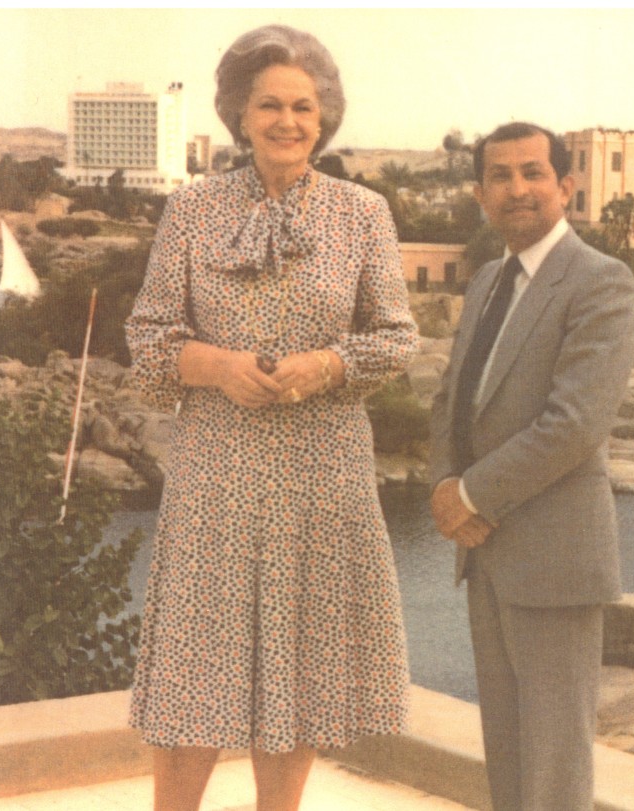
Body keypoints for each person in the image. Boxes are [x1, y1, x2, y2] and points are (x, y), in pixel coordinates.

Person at [125, 25, 417, 811]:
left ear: (324, 118)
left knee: (299, 671)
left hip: (323, 472)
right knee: (194, 671)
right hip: (216, 470)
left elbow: (397, 337)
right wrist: (220, 367)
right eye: (269, 105)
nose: (287, 121)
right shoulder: (191, 210)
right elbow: (148, 339)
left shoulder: (364, 213)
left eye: (302, 106)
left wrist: (324, 365)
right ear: (239, 115)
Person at [429, 122, 634, 811]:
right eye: (500, 175)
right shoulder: (489, 280)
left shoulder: (601, 280)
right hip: (485, 553)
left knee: (553, 763)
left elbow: (575, 424)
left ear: (565, 186)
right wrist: (443, 485)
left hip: (554, 556)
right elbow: (453, 398)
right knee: (509, 754)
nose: (516, 188)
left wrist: (471, 495)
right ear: (480, 193)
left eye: (532, 172)